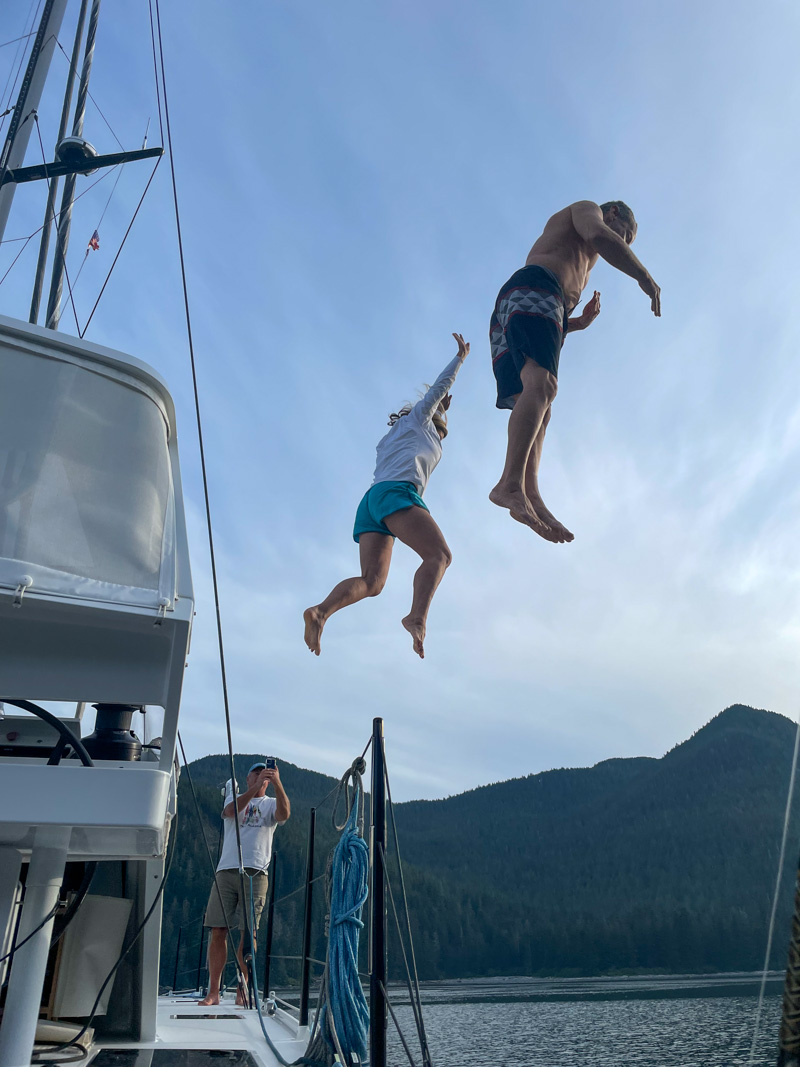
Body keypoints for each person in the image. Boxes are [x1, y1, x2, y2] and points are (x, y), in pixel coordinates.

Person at [489, 200, 661, 542]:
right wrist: (644, 277)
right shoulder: (588, 210)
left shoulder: (577, 256)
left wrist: (577, 321)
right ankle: (509, 484)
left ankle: (530, 494)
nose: (624, 243)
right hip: (537, 286)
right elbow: (600, 236)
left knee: (539, 401)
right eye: (626, 235)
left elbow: (539, 319)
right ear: (613, 213)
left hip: (526, 302)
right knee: (543, 386)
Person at [304, 333, 469, 660]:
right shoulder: (419, 419)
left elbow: (434, 408)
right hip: (396, 494)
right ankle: (416, 618)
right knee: (439, 556)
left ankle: (320, 612)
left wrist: (441, 407)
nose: (440, 437)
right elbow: (437, 389)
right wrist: (460, 358)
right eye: (440, 432)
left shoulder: (390, 438)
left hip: (372, 501)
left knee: (372, 582)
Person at [198, 761, 291, 1006]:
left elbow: (284, 815)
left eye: (265, 773)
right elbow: (230, 812)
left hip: (256, 872)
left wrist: (278, 783)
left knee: (249, 932)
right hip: (226, 870)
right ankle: (213, 992)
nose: (261, 776)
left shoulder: (271, 803)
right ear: (248, 778)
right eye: (256, 773)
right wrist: (254, 789)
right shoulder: (235, 797)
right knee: (218, 929)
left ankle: (243, 988)